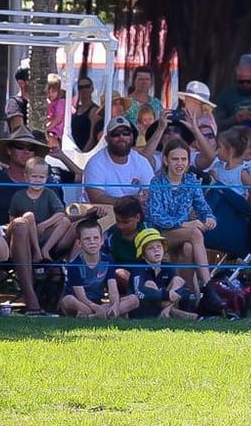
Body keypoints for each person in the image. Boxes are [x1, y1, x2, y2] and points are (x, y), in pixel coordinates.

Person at [4, 155, 76, 314]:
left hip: (45, 235)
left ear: (46, 178)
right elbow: (12, 220)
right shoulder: (19, 196)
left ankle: (45, 251)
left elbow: (60, 213)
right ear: (26, 177)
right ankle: (37, 252)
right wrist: (29, 223)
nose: (38, 180)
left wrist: (44, 224)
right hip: (24, 238)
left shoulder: (49, 193)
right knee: (28, 216)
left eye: (41, 177)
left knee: (65, 221)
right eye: (34, 176)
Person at [144, 141, 215, 288]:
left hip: (183, 235)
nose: (180, 163)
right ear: (166, 160)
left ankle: (189, 297)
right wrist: (183, 223)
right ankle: (209, 287)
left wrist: (209, 218)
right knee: (195, 233)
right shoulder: (157, 182)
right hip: (160, 234)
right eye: (175, 159)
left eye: (184, 159)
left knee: (188, 248)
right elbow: (156, 216)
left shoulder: (191, 181)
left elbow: (202, 207)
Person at [59, 217, 133, 318]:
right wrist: (96, 308)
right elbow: (81, 297)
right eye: (87, 239)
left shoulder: (108, 260)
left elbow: (113, 290)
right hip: (82, 303)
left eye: (96, 238)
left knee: (133, 300)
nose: (92, 242)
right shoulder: (74, 265)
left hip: (99, 302)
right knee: (68, 300)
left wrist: (115, 304)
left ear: (102, 240)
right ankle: (106, 314)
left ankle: (93, 316)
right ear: (79, 243)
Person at [128, 227, 199, 319]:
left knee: (178, 280)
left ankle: (166, 311)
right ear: (143, 254)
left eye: (159, 246)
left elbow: (181, 291)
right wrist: (167, 295)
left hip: (165, 302)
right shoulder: (139, 268)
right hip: (143, 308)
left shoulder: (167, 266)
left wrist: (170, 298)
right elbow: (140, 292)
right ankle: (177, 314)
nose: (156, 250)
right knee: (150, 284)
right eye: (150, 248)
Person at [82, 117, 155, 205]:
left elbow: (152, 192)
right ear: (107, 139)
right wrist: (130, 201)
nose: (121, 137)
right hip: (103, 212)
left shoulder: (141, 161)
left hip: (135, 212)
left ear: (132, 137)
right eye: (115, 134)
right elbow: (96, 198)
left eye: (126, 133)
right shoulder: (95, 163)